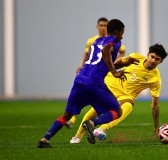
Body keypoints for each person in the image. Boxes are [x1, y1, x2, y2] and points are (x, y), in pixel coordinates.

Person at [37, 19, 133, 148]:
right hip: (94, 83)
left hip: (79, 80)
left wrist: (120, 64)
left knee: (68, 114)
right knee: (117, 111)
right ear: (116, 32)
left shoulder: (96, 41)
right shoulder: (116, 41)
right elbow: (106, 52)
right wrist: (115, 72)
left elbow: (100, 60)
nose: (123, 35)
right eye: (122, 32)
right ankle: (92, 123)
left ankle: (45, 139)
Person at [69, 43, 168, 143]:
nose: (153, 61)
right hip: (111, 85)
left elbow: (155, 106)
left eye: (157, 59)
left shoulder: (155, 79)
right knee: (94, 111)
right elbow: (118, 63)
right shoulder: (135, 58)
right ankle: (77, 136)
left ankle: (101, 129)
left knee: (127, 106)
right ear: (148, 54)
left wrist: (156, 127)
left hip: (126, 96)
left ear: (161, 61)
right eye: (152, 57)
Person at [65, 18, 126, 129]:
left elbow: (120, 54)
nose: (102, 27)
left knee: (88, 97)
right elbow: (88, 55)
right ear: (97, 27)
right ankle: (84, 122)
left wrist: (112, 65)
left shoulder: (114, 42)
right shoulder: (92, 40)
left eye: (105, 25)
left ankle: (76, 121)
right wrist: (82, 65)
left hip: (102, 73)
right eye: (101, 25)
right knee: (96, 98)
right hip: (93, 75)